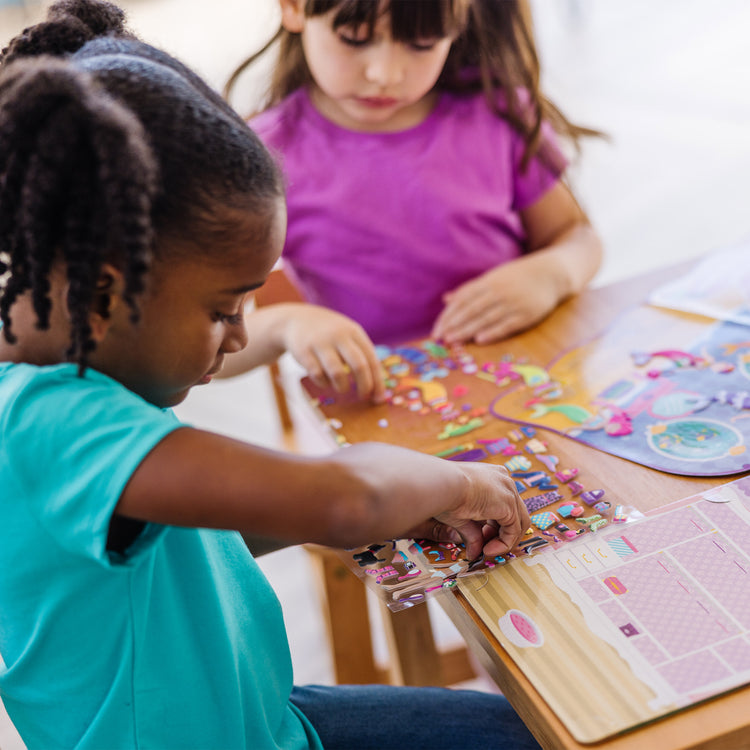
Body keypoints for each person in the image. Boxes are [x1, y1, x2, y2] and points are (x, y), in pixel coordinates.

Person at [0, 2, 539, 748]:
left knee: (534, 730)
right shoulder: (44, 420)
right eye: (224, 310)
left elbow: (193, 530)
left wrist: (374, 500)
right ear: (105, 293)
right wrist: (457, 483)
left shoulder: (68, 391)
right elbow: (350, 503)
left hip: (258, 716)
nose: (243, 334)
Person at [226, 0, 604, 348]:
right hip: (379, 403)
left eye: (422, 43)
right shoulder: (262, 158)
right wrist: (286, 327)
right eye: (354, 39)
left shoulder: (497, 111)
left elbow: (577, 237)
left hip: (530, 370)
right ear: (293, 7)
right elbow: (213, 343)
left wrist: (550, 275)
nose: (384, 74)